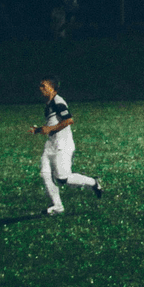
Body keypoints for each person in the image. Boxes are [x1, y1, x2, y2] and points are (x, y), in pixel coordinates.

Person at [26, 77, 105, 215]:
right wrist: (38, 129)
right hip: (51, 143)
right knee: (45, 174)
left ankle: (94, 182)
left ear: (53, 88)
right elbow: (51, 125)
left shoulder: (58, 101)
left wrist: (49, 129)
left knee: (62, 178)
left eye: (44, 86)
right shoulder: (49, 103)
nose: (41, 88)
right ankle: (57, 206)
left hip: (63, 144)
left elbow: (69, 120)